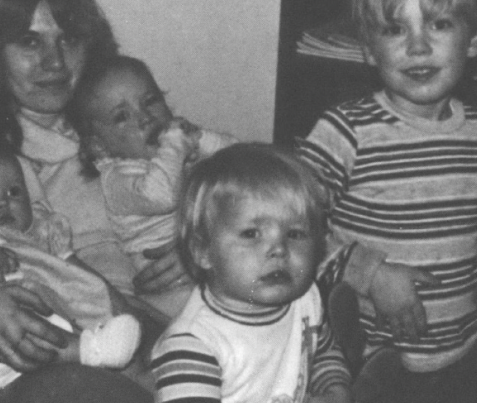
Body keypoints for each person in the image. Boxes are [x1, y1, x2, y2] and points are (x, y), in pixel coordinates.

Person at [0, 0, 178, 402]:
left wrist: (198, 246)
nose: (54, 62)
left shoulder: (113, 128)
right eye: (29, 42)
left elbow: (218, 195)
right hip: (34, 359)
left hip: (152, 329)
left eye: (69, 40)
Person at [296, 0, 477, 402]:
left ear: (474, 41)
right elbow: (293, 226)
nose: (418, 45)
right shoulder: (346, 130)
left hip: (461, 355)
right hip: (372, 364)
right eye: (395, 29)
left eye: (439, 24)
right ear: (369, 51)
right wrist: (369, 273)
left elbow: (464, 220)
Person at [0, 144, 143, 394]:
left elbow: (77, 275)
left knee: (131, 372)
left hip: (56, 326)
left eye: (14, 192)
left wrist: (112, 306)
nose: (3, 202)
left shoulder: (40, 232)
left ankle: (99, 352)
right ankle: (91, 350)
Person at [151, 143, 352, 403]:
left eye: (295, 234)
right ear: (203, 252)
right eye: (251, 234)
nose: (279, 249)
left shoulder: (305, 299)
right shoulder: (195, 345)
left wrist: (336, 388)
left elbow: (323, 352)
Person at [67, 55, 237, 318]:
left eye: (150, 101)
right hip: (170, 293)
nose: (145, 118)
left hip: (207, 267)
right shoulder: (117, 178)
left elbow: (239, 157)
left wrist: (198, 138)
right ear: (100, 146)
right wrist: (174, 145)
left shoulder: (174, 154)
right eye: (122, 116)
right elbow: (161, 195)